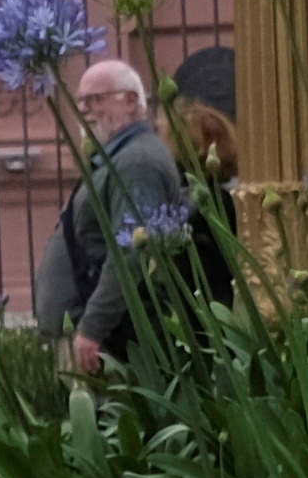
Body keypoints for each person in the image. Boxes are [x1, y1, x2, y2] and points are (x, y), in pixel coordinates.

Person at [54, 58, 208, 370]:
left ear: (131, 101)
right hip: (101, 331)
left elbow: (130, 251)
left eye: (95, 100)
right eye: (80, 101)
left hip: (111, 340)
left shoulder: (137, 161)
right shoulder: (120, 157)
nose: (83, 109)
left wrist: (92, 328)